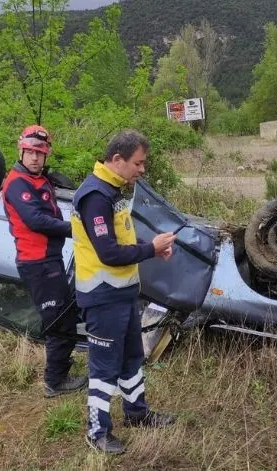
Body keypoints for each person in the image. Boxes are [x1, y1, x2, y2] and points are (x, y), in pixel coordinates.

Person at [72, 129, 177, 454]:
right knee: (104, 368)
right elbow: (108, 252)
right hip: (103, 297)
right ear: (117, 159)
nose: (142, 170)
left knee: (132, 357)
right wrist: (151, 249)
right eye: (138, 163)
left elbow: (121, 240)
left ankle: (137, 413)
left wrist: (151, 247)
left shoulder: (112, 189)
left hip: (123, 294)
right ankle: (97, 432)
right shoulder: (95, 196)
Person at [1, 124, 85, 398]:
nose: (35, 157)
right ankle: (54, 382)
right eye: (30, 152)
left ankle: (60, 372)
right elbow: (36, 220)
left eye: (40, 153)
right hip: (37, 263)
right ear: (21, 151)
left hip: (50, 259)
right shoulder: (17, 183)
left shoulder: (39, 179)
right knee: (59, 320)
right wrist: (76, 230)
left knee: (64, 315)